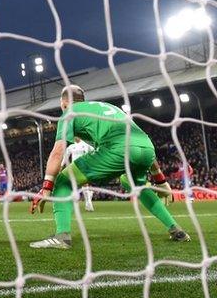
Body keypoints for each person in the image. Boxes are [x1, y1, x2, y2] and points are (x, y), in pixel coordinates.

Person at [29, 85, 190, 249]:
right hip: (147, 148)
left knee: (63, 180)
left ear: (63, 103)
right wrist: (161, 180)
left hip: (118, 149)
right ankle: (176, 229)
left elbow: (58, 152)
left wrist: (46, 188)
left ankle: (62, 237)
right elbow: (137, 141)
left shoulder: (69, 113)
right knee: (132, 182)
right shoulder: (110, 108)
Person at [64, 138, 95, 211]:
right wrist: (61, 165)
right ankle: (88, 197)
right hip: (74, 167)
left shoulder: (86, 145)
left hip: (84, 167)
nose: (75, 137)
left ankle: (88, 203)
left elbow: (94, 151)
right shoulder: (71, 146)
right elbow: (65, 157)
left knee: (84, 184)